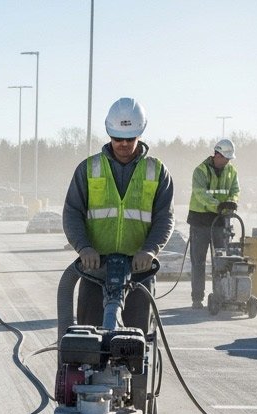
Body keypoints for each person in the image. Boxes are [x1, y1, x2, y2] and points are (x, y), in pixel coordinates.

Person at [61, 98, 174, 330]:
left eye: (129, 139)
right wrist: (84, 248)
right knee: (87, 338)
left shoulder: (156, 171)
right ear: (109, 133)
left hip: (138, 272)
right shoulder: (88, 169)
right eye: (117, 138)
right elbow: (72, 212)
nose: (123, 144)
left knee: (135, 339)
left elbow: (165, 218)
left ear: (140, 133)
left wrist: (150, 250)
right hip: (96, 270)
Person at [185, 138, 240, 307]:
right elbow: (200, 193)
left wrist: (231, 202)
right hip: (200, 222)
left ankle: (220, 296)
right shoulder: (200, 171)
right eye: (225, 158)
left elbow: (235, 190)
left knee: (221, 262)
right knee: (199, 262)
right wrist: (218, 206)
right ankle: (197, 298)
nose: (228, 161)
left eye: (229, 158)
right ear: (217, 155)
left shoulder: (231, 171)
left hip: (220, 222)